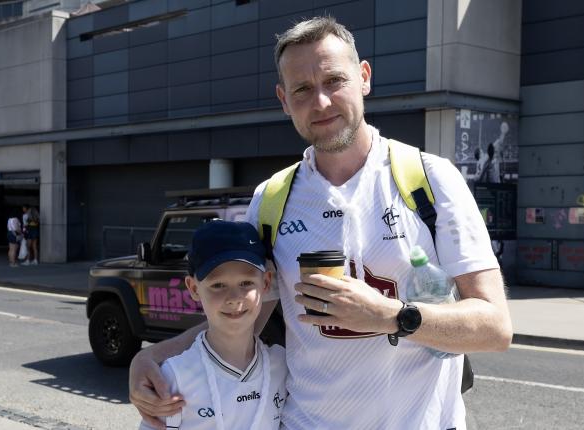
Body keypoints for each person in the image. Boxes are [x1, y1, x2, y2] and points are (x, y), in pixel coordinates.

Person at [130, 16, 512, 429]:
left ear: (363, 77)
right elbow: (242, 322)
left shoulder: (429, 178)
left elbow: (494, 327)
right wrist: (153, 356)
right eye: (302, 90)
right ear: (283, 99)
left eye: (334, 81)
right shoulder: (272, 199)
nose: (322, 102)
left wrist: (391, 316)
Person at [138, 220, 287, 430]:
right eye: (218, 285)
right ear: (193, 288)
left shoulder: (281, 365)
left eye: (246, 283)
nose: (234, 298)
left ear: (265, 283)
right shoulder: (175, 375)